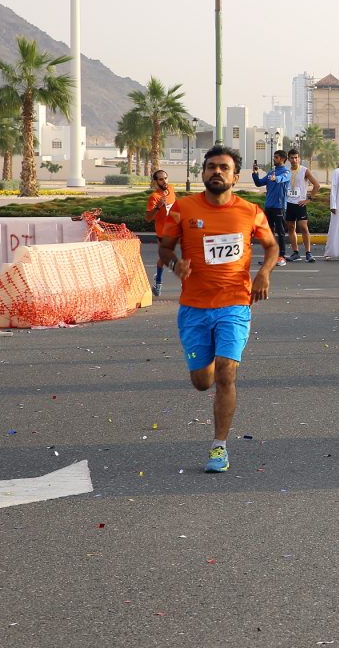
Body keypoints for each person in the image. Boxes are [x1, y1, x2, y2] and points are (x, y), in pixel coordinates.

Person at [158, 146, 278, 472]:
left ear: (235, 177)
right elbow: (164, 249)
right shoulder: (183, 209)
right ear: (203, 173)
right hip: (194, 308)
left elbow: (271, 246)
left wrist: (263, 273)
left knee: (227, 370)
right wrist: (174, 264)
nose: (217, 172)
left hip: (235, 304)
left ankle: (219, 447)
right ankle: (206, 364)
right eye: (211, 167)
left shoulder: (250, 211)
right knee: (202, 382)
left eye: (224, 168)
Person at [252, 150, 291, 266]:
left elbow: (282, 179)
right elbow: (259, 183)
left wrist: (276, 179)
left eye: (276, 157)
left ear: (283, 159)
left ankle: (282, 257)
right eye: (274, 157)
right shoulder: (271, 173)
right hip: (268, 207)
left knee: (281, 232)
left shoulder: (286, 172)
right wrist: (255, 173)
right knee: (268, 233)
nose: (274, 159)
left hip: (279, 207)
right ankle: (270, 256)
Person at [284, 148, 320, 262]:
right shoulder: (286, 171)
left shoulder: (304, 170)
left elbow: (316, 185)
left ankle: (308, 253)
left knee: (304, 228)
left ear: (299, 158)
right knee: (291, 227)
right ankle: (295, 252)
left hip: (300, 204)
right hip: (289, 203)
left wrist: (308, 199)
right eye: (292, 158)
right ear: (288, 159)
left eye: (296, 157)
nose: (294, 160)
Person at [144, 169, 176, 297]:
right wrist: (158, 207)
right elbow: (147, 218)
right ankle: (158, 282)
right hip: (163, 232)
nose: (164, 181)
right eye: (161, 179)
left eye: (166, 178)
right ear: (156, 182)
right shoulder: (154, 197)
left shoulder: (172, 189)